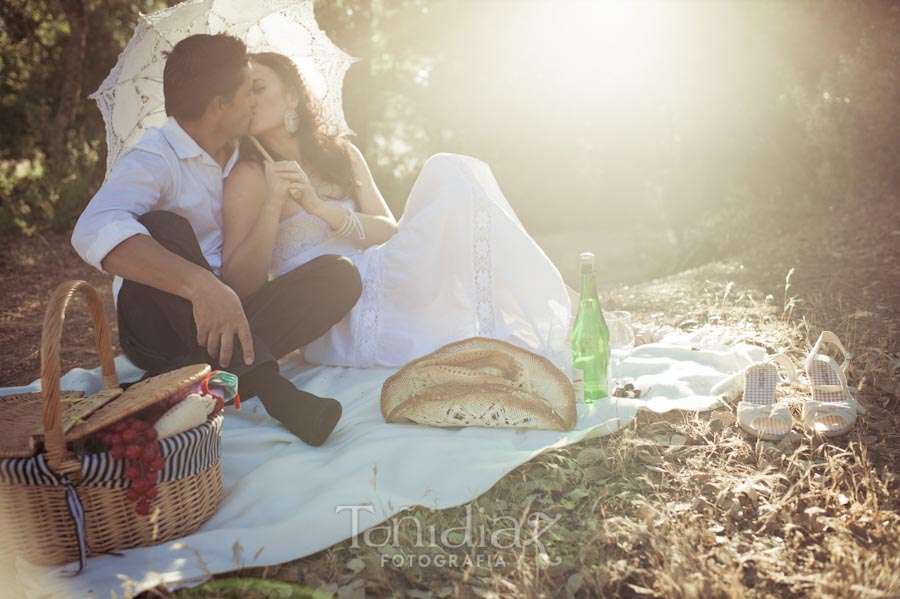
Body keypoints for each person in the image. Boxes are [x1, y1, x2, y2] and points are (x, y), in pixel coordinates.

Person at [71, 35, 361, 447]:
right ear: (219, 106)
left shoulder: (247, 157)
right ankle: (277, 394)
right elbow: (92, 226)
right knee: (164, 226)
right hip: (156, 324)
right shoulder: (155, 157)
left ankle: (182, 385)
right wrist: (202, 286)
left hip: (228, 322)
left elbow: (245, 280)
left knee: (340, 276)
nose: (253, 104)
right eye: (247, 93)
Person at [222, 52, 576, 369]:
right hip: (337, 316)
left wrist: (319, 208)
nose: (249, 100)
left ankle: (549, 306)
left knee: (451, 170)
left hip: (381, 270)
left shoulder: (340, 154)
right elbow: (240, 284)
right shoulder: (248, 175)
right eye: (243, 93)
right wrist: (271, 205)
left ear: (293, 95)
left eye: (258, 88)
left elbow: (389, 231)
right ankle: (558, 304)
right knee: (449, 173)